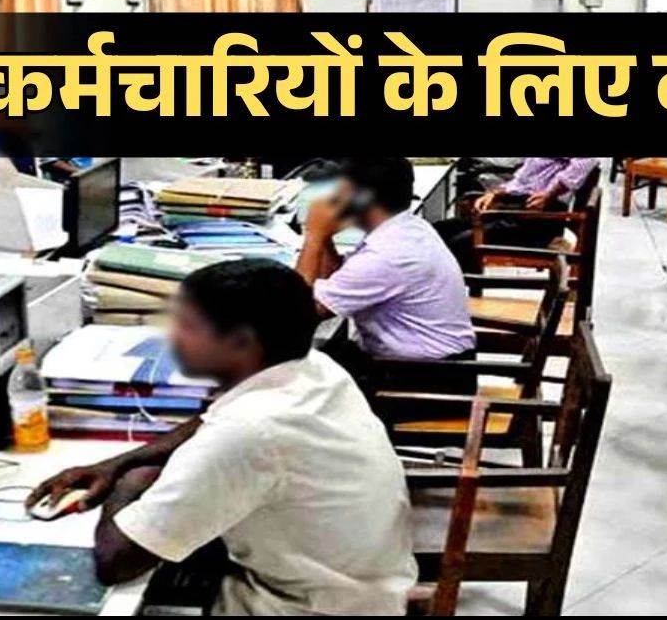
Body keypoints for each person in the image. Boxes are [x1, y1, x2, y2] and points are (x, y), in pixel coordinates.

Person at [25, 260, 417, 615]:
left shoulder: (249, 431)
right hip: (361, 589)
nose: (172, 338)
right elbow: (210, 419)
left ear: (241, 343)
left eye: (188, 327)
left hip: (297, 607)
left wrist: (128, 484)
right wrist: (118, 463)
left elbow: (117, 562)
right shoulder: (313, 368)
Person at [295, 157, 477, 392]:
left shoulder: (386, 255)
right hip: (438, 368)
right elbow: (339, 276)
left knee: (296, 378)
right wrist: (325, 238)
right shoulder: (407, 228)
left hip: (422, 384)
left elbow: (299, 313)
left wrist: (314, 236)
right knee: (328, 356)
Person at [434, 157, 598, 273]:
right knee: (438, 231)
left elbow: (584, 163)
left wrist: (549, 195)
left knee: (459, 243)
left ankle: (457, 298)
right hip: (517, 208)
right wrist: (496, 193)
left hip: (538, 218)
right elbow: (522, 182)